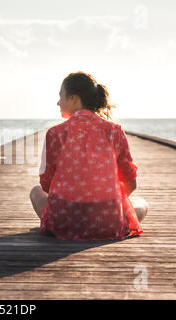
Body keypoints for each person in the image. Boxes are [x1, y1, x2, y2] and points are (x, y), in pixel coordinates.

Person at [29, 71, 148, 241]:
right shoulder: (114, 131)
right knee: (141, 204)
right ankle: (110, 216)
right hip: (107, 224)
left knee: (35, 192)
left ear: (74, 99)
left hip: (64, 222)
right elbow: (131, 183)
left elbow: (46, 185)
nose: (57, 102)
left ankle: (57, 223)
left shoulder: (55, 134)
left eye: (61, 96)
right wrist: (104, 200)